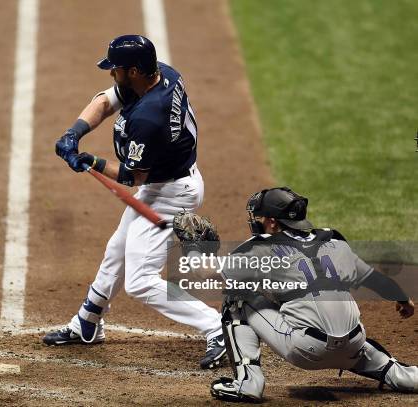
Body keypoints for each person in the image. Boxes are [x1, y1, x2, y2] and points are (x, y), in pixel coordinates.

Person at [43, 34, 225, 369]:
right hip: (166, 183)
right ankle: (88, 321)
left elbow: (133, 177)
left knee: (140, 281)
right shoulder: (161, 73)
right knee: (117, 249)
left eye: (117, 69)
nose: (112, 74)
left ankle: (217, 328)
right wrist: (74, 132)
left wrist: (92, 161)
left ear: (136, 71)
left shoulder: (149, 117)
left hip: (170, 193)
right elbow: (104, 101)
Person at [208, 187, 417, 401]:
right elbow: (375, 279)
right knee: (357, 344)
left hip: (307, 350)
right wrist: (403, 299)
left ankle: (248, 383)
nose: (256, 222)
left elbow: (209, 274)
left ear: (272, 222)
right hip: (353, 345)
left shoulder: (262, 249)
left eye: (259, 217)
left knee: (236, 298)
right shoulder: (334, 242)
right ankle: (408, 377)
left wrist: (196, 248)